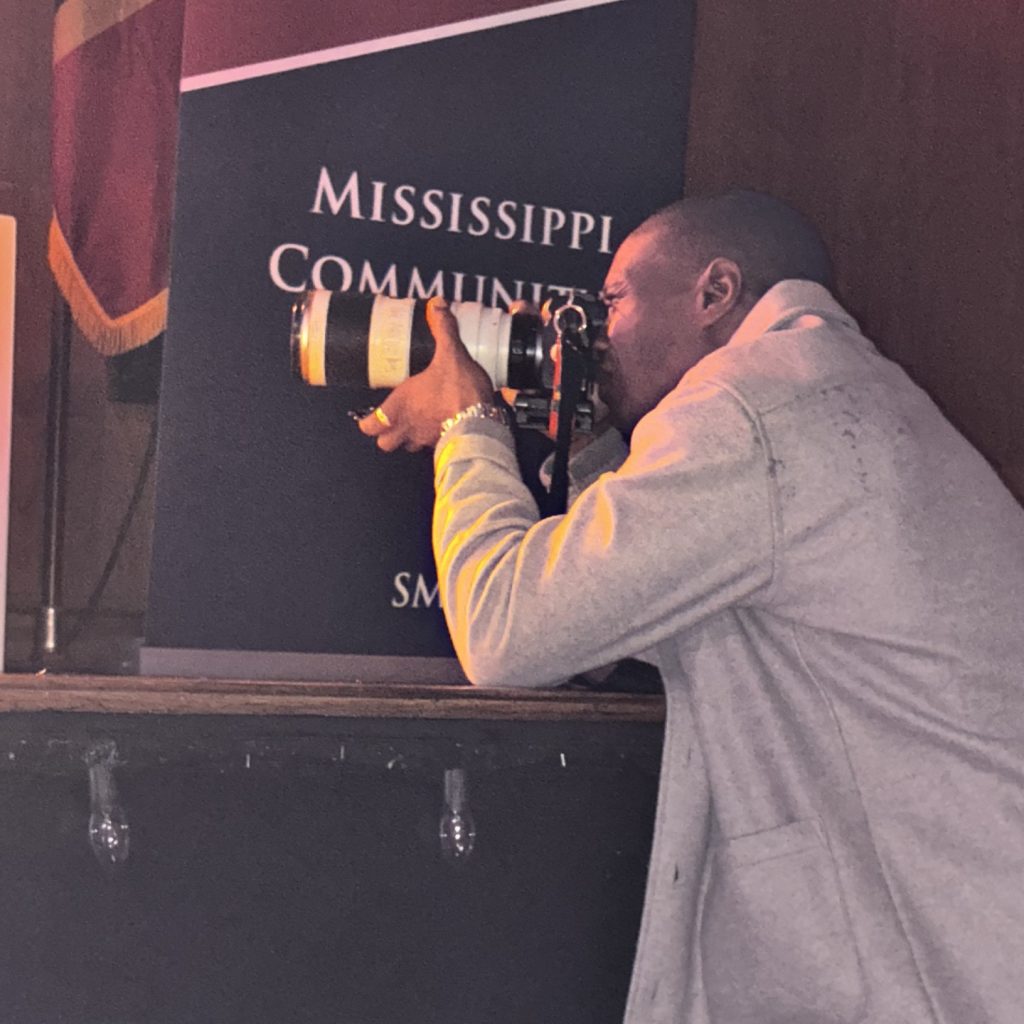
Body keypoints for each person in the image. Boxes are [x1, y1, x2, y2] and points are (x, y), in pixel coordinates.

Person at [360, 190, 1024, 1024]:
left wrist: (467, 422)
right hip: (963, 912)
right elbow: (611, 625)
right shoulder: (830, 390)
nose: (598, 333)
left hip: (933, 949)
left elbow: (508, 631)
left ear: (715, 291)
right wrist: (588, 433)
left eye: (613, 301)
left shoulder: (747, 408)